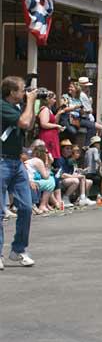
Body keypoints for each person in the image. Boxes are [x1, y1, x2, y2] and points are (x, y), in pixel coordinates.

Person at [0, 76, 38, 269]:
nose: (25, 93)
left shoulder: (16, 108)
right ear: (11, 92)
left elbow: (29, 125)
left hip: (16, 162)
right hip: (2, 160)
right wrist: (30, 102)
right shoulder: (2, 106)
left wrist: (32, 105)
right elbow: (23, 123)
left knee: (26, 207)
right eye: (22, 90)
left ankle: (18, 249)